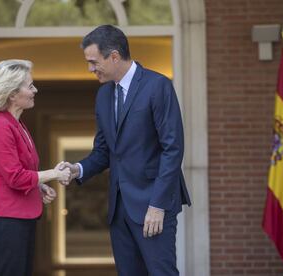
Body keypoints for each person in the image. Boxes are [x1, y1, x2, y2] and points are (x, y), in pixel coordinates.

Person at [62, 25, 191, 276]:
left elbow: (172, 149)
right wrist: (78, 169)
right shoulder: (103, 96)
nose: (90, 69)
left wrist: (158, 205)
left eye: (93, 62)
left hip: (153, 205)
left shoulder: (158, 86)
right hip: (119, 211)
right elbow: (103, 151)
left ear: (113, 56)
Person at [0, 59, 70, 276]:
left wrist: (39, 188)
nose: (35, 90)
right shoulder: (1, 127)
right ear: (12, 94)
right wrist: (54, 174)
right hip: (5, 222)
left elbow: (18, 173)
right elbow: (14, 177)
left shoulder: (17, 125)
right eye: (30, 86)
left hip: (18, 219)